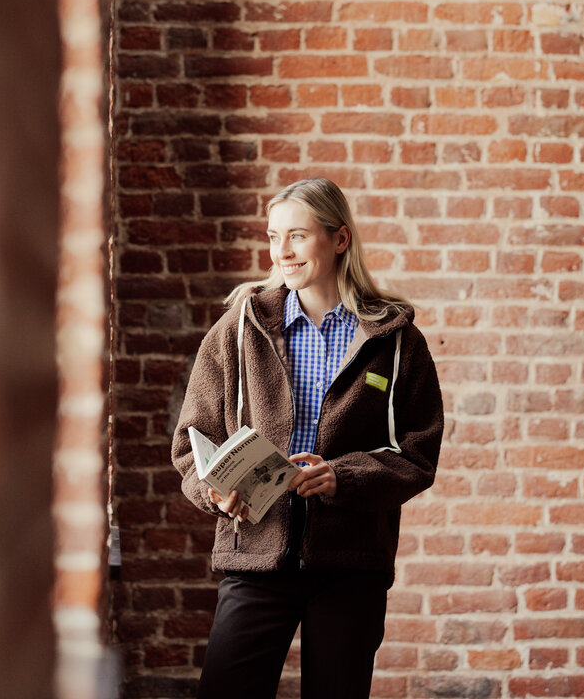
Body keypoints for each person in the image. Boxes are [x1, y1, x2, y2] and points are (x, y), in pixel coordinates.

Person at [172, 178, 443, 699]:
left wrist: (342, 477)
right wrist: (213, 490)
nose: (282, 251)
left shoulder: (395, 339)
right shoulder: (239, 328)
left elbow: (419, 451)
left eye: (297, 235)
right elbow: (193, 440)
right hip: (254, 554)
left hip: (351, 563)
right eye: (274, 236)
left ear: (339, 239)